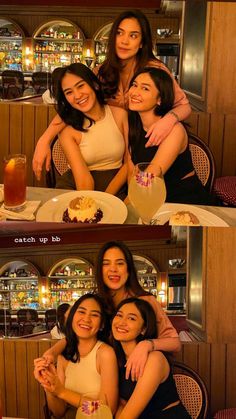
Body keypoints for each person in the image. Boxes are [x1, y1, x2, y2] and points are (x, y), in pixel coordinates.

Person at [32, 9, 191, 181]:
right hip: (120, 151)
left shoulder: (155, 70)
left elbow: (184, 105)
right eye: (120, 33)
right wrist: (45, 139)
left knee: (147, 186)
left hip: (149, 143)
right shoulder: (101, 72)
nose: (124, 41)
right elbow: (75, 103)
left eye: (133, 35)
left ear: (142, 43)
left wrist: (169, 121)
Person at [39, 241, 180, 382]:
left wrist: (146, 345)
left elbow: (174, 343)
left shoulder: (145, 301)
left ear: (129, 269)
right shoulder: (98, 303)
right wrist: (52, 353)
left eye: (120, 263)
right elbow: (77, 336)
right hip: (106, 377)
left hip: (140, 377)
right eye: (106, 264)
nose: (113, 269)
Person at [127, 67, 215, 205]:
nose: (135, 92)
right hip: (153, 200)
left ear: (160, 99)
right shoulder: (134, 124)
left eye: (145, 89)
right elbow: (131, 169)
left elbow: (150, 177)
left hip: (185, 201)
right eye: (134, 85)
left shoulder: (174, 130)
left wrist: (127, 206)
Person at [50, 63, 128, 197]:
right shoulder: (67, 130)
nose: (77, 95)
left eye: (80, 86)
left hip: (116, 187)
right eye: (69, 92)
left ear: (95, 84)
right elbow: (84, 180)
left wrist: (107, 197)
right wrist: (89, 205)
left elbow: (129, 164)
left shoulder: (120, 115)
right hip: (77, 188)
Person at [34, 294, 118, 418]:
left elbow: (107, 410)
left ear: (102, 325)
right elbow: (59, 412)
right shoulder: (65, 355)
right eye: (81, 312)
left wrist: (62, 392)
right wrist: (49, 386)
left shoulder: (105, 353)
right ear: (72, 317)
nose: (86, 319)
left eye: (94, 315)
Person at [112, 297, 191, 419]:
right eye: (119, 315)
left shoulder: (155, 359)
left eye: (131, 318)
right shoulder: (118, 357)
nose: (121, 322)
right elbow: (121, 404)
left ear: (143, 329)